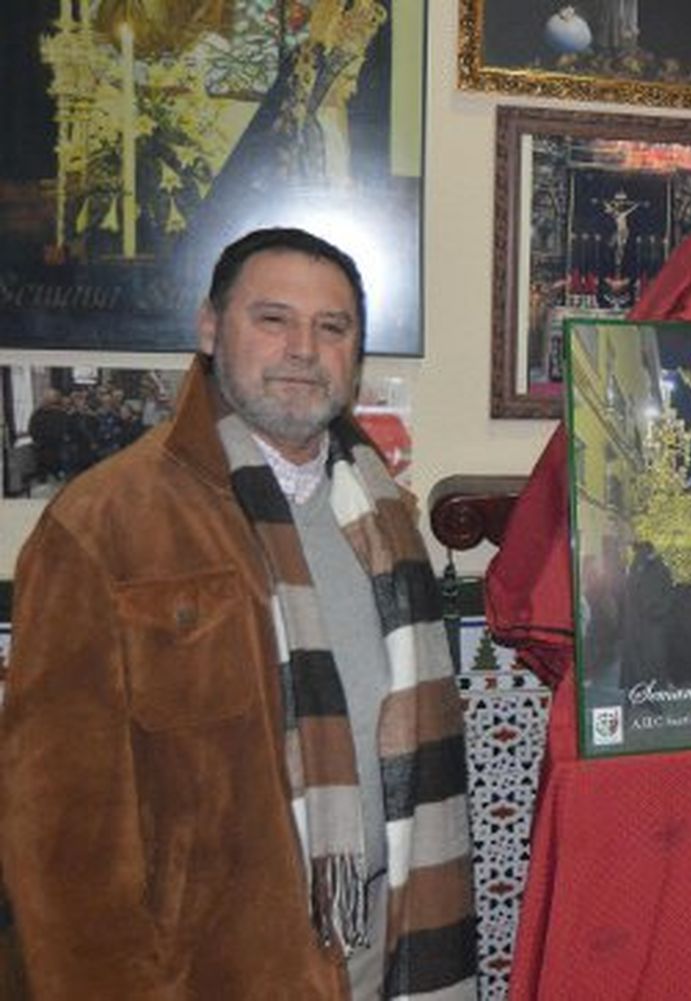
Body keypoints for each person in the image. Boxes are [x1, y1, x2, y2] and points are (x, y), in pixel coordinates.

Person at [0, 228, 476, 1000]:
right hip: (215, 969)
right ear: (210, 328)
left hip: (387, 946)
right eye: (273, 319)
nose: (302, 348)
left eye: (332, 327)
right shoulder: (104, 524)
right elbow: (59, 840)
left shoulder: (384, 514)